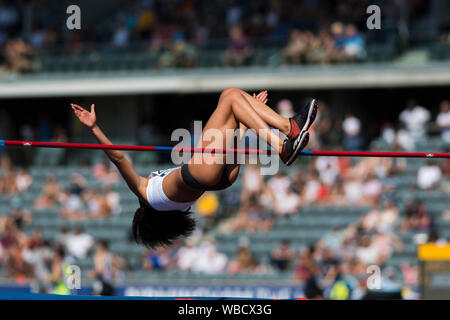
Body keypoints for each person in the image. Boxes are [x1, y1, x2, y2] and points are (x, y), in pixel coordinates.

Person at [71, 88, 318, 248]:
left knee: (236, 103)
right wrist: (93, 128)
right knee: (231, 96)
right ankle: (285, 136)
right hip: (201, 171)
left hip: (220, 178)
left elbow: (227, 146)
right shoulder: (146, 192)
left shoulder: (177, 206)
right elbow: (119, 159)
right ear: (144, 209)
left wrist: (248, 116)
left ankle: (288, 130)